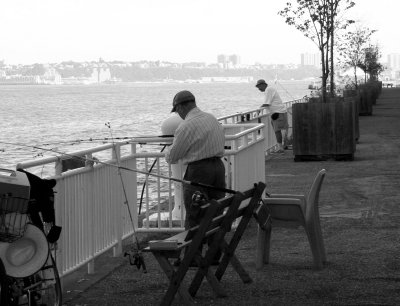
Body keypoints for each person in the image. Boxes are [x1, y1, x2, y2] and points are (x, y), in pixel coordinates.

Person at [165, 90, 226, 265]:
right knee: (215, 211)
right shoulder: (211, 118)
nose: (178, 114)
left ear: (182, 106)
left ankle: (191, 257)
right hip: (218, 168)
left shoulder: (186, 126)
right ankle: (214, 255)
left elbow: (173, 157)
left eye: (177, 110)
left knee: (195, 214)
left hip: (198, 171)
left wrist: (168, 152)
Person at [255, 79, 288, 153]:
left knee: (277, 130)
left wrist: (259, 110)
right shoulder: (270, 89)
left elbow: (267, 103)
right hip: (277, 112)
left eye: (259, 87)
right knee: (279, 130)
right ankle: (282, 146)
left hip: (278, 112)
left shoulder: (268, 90)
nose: (259, 89)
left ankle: (280, 147)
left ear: (263, 84)